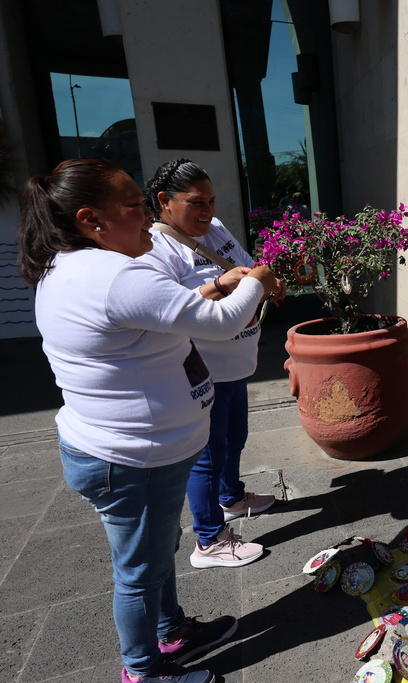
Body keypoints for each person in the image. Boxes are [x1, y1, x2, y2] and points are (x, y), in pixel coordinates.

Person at [18, 158, 282, 683]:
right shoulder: (116, 274)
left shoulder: (71, 265)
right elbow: (223, 321)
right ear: (92, 219)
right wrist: (259, 278)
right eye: (136, 208)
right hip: (128, 456)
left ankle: (172, 631)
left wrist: (210, 288)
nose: (147, 220)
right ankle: (143, 671)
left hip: (128, 450)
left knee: (158, 552)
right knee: (138, 571)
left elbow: (165, 315)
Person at [141, 159, 276, 569]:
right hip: (202, 370)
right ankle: (209, 539)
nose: (208, 211)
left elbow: (246, 267)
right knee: (207, 454)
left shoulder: (213, 231)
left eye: (212, 200)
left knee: (234, 439)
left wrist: (261, 281)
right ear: (164, 201)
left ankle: (231, 497)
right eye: (196, 202)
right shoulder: (156, 247)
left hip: (236, 362)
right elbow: (167, 311)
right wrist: (221, 285)